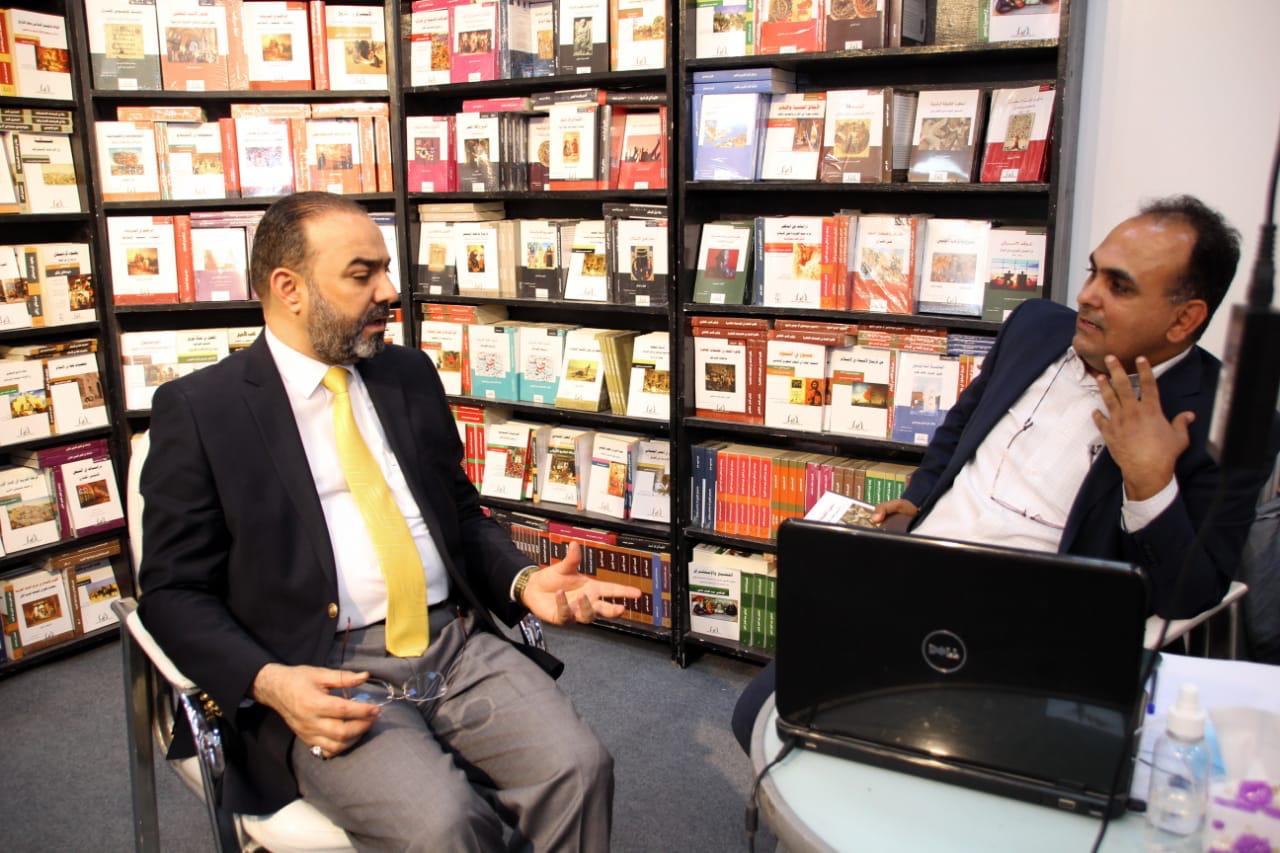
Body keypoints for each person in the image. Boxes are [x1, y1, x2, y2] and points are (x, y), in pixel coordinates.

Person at [138, 192, 639, 850]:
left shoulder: (407, 374)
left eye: (386, 269)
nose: (390, 290)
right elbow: (172, 592)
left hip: (454, 643)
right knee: (442, 824)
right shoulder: (203, 410)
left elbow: (460, 512)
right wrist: (271, 682)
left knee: (580, 769)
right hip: (323, 669)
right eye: (362, 274)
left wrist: (522, 581)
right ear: (288, 288)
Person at [731, 195, 1280, 751]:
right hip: (915, 569)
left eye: (1120, 286)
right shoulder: (1036, 326)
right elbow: (961, 423)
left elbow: (1192, 594)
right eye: (1093, 272)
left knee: (901, 747)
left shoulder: (1229, 418)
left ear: (1184, 319)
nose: (1087, 295)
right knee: (760, 715)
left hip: (1031, 628)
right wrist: (920, 497)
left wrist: (1150, 484)